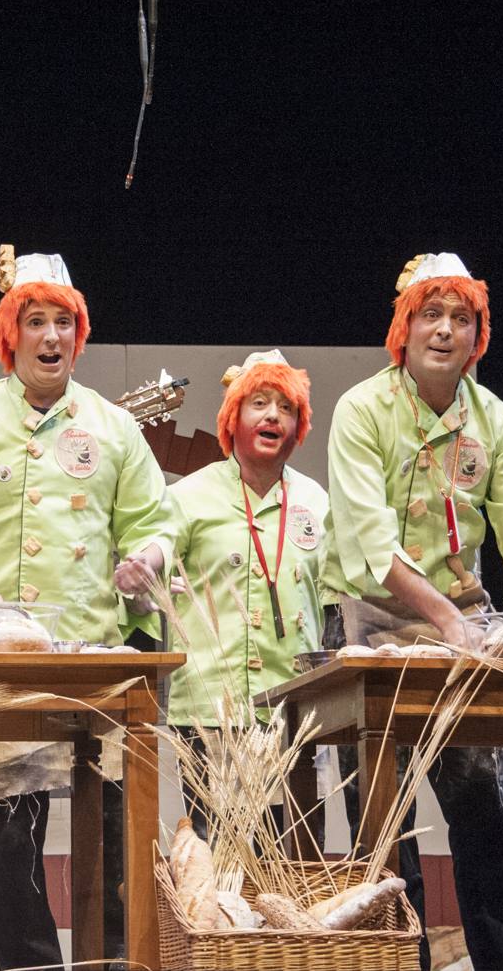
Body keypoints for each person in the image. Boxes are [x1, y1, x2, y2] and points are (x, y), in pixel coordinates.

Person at [0, 246, 173, 968]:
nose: (51, 336)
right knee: (12, 843)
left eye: (63, 321)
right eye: (36, 321)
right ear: (10, 333)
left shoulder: (113, 427)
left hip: (95, 666)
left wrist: (142, 562)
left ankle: (112, 962)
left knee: (114, 839)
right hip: (0, 662)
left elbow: (154, 523)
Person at [324, 252, 503, 971]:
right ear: (404, 327)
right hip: (369, 625)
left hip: (464, 624)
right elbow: (368, 543)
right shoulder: (362, 409)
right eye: (432, 314)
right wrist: (445, 621)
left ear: (476, 334)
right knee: (383, 837)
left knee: (486, 824)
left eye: (461, 317)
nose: (445, 330)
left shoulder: (494, 419)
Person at [127, 350, 328, 841]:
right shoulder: (188, 497)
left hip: (296, 711)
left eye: (286, 407)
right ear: (232, 419)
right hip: (211, 712)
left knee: (298, 853)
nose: (272, 416)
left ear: (298, 426)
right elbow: (153, 558)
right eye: (258, 403)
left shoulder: (317, 502)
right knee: (222, 860)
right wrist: (140, 577)